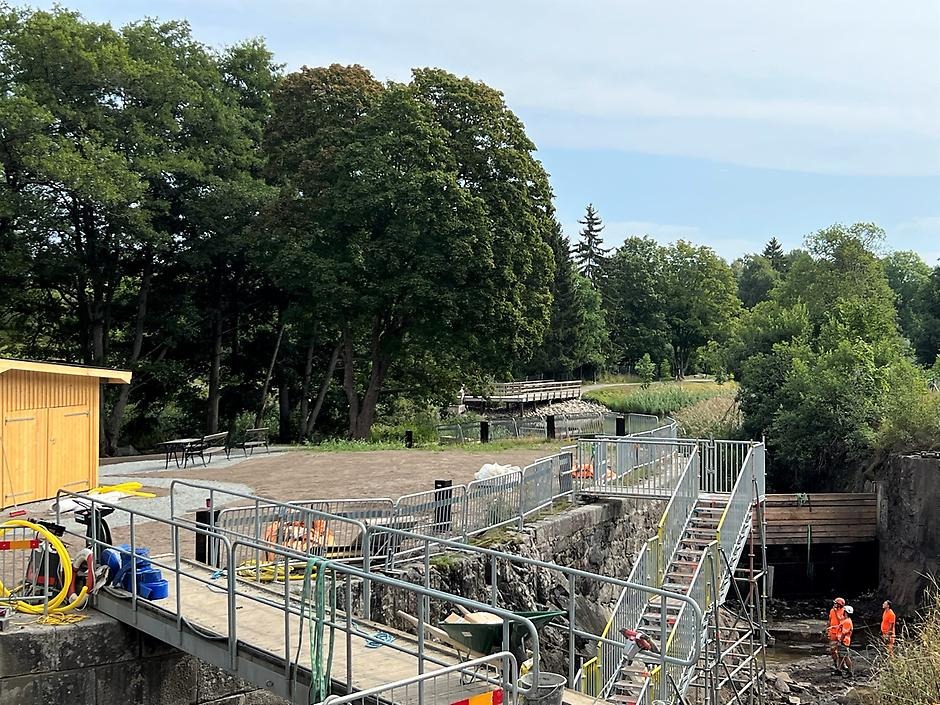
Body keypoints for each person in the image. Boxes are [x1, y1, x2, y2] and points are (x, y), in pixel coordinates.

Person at [827, 597, 846, 670]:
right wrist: (827, 629)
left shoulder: (844, 612)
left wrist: (836, 612)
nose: (834, 604)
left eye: (836, 603)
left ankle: (843, 665)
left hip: (840, 634)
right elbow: (829, 620)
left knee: (841, 650)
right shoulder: (832, 611)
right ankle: (835, 663)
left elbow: (842, 621)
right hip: (832, 633)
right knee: (832, 650)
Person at [838, 605, 854, 678]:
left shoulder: (847, 622)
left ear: (846, 612)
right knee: (841, 656)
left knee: (846, 657)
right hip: (843, 641)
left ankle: (850, 672)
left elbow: (844, 633)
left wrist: (840, 641)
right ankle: (839, 670)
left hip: (844, 641)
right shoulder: (846, 620)